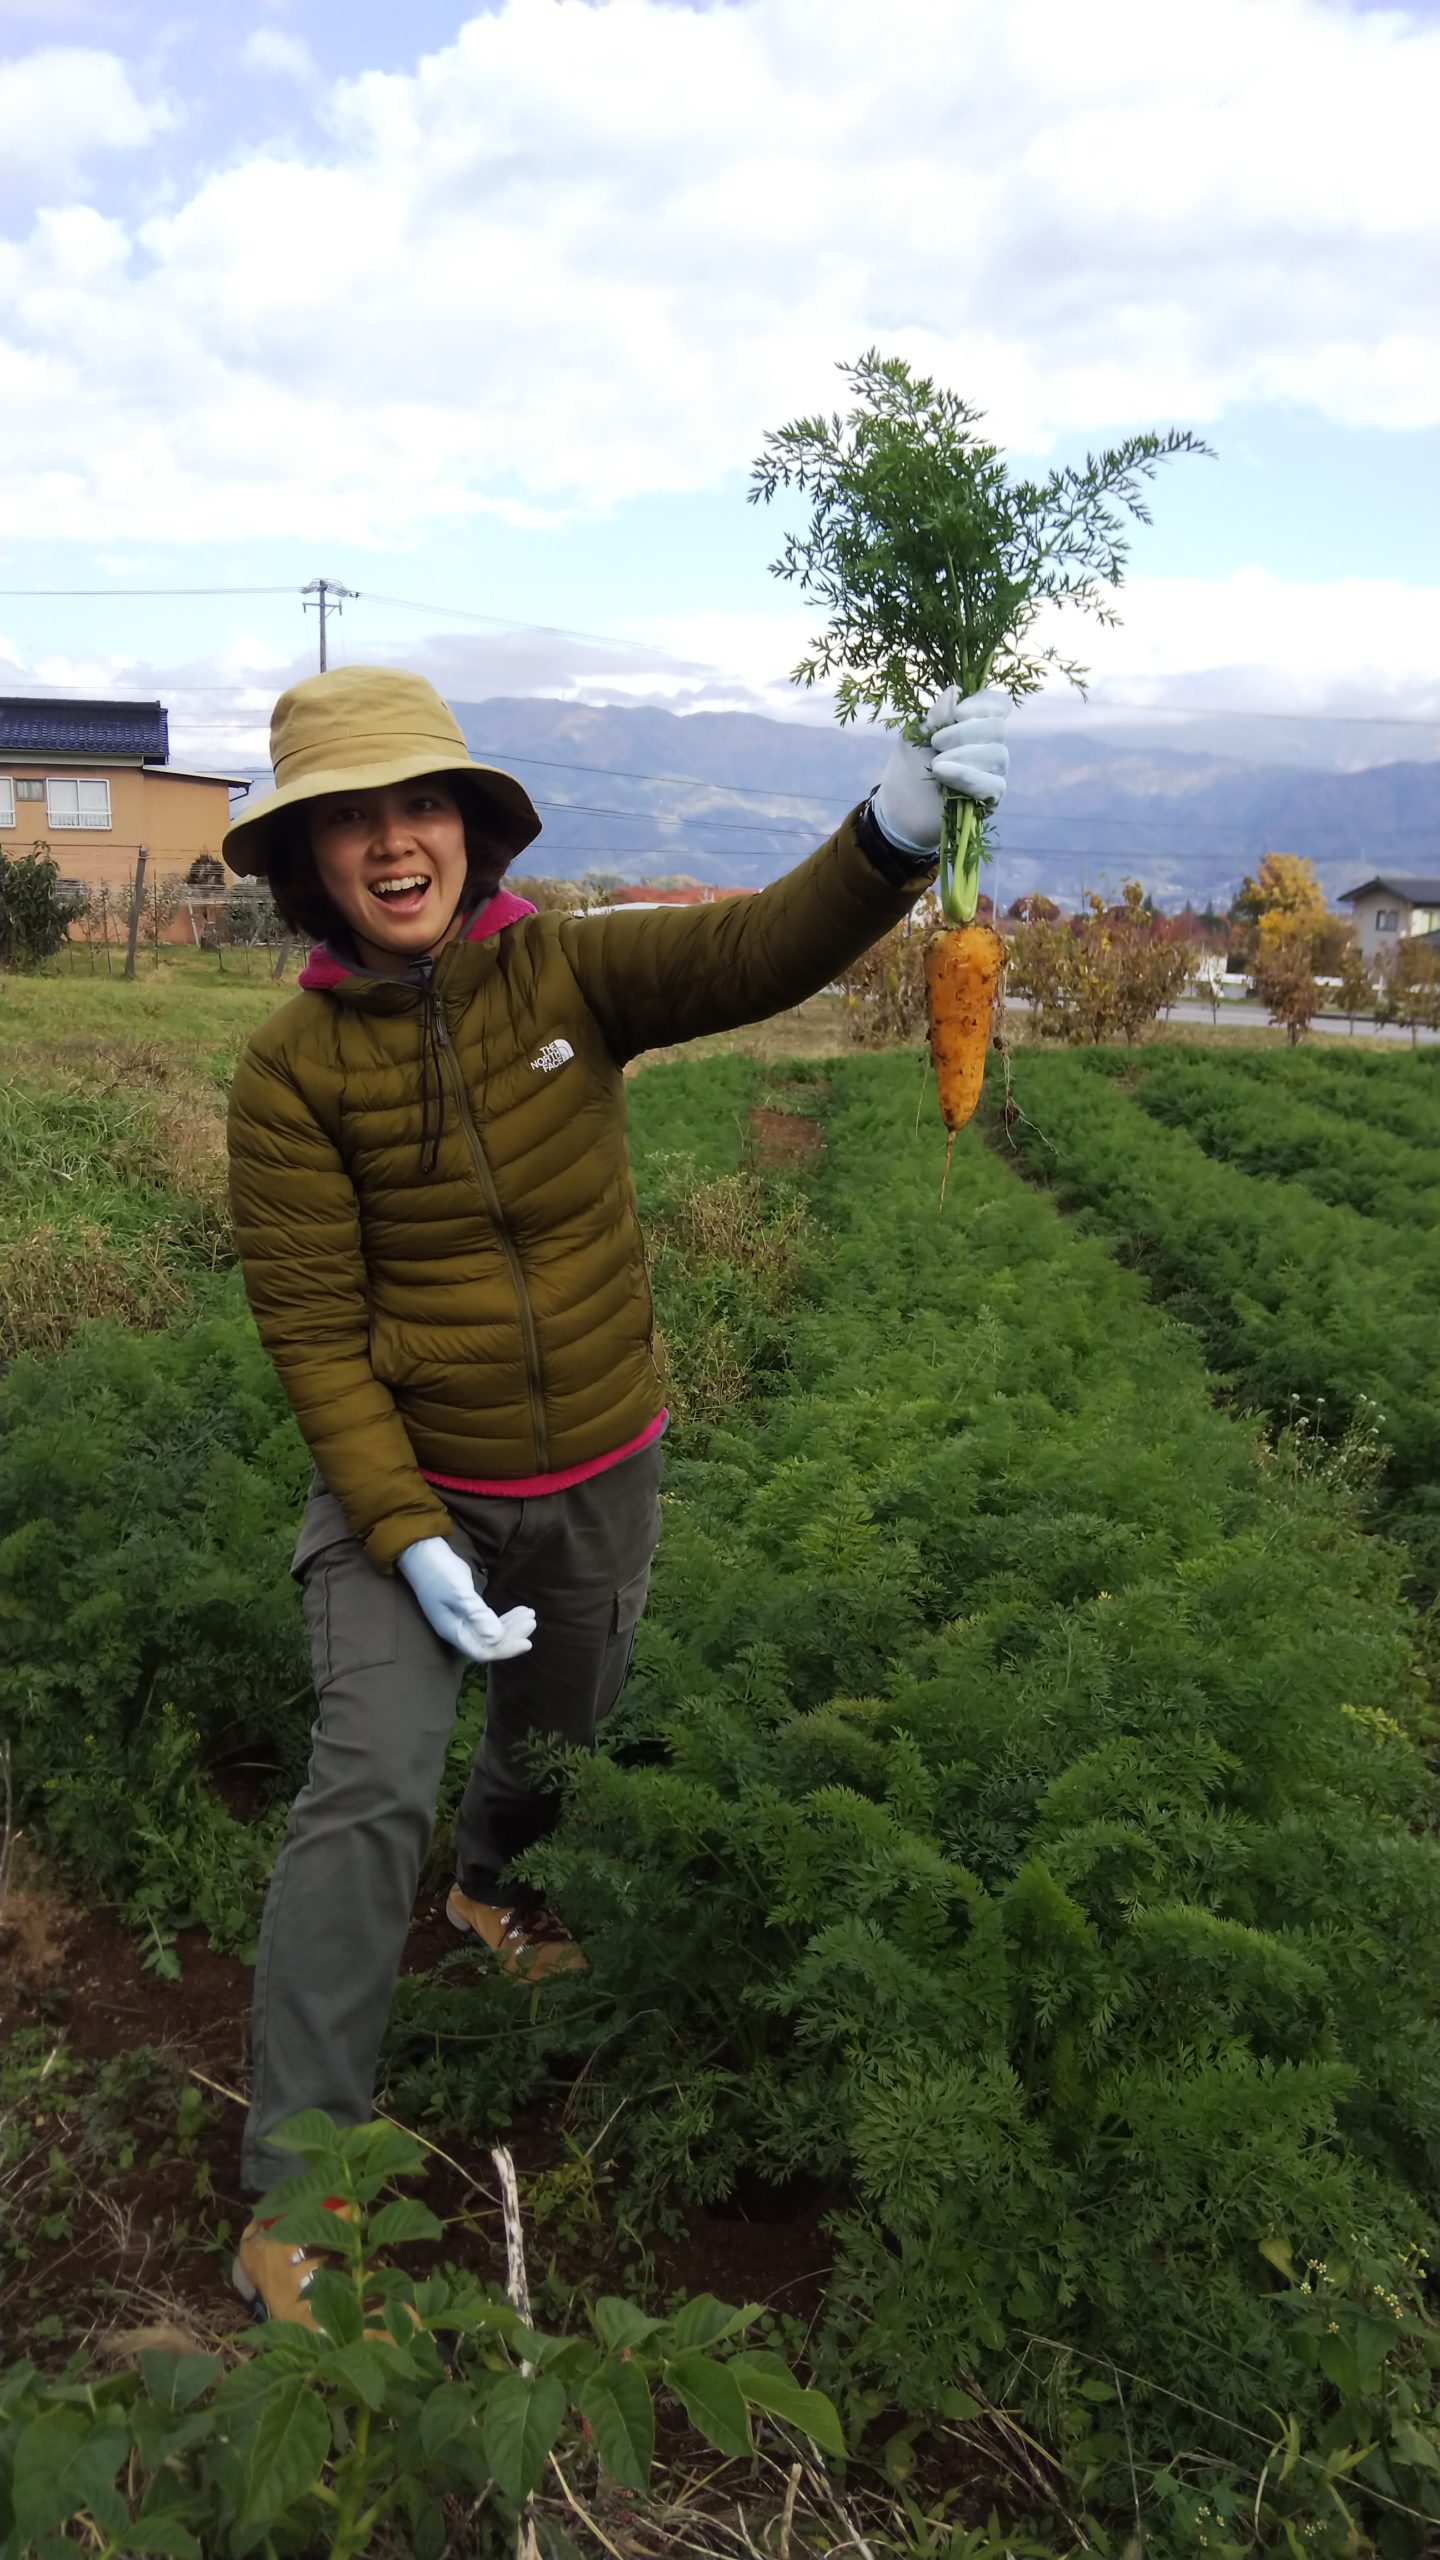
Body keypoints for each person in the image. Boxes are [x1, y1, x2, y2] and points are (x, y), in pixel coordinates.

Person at [222, 663, 1010, 2320]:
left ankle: (495, 1888)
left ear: (469, 827)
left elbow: (751, 949)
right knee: (366, 1787)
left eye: (417, 805)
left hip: (600, 1465)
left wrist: (888, 838)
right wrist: (405, 1530)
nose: (393, 844)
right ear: (307, 858)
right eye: (351, 820)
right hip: (404, 1500)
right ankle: (299, 2183)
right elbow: (310, 1331)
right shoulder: (290, 1073)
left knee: (559, 1737)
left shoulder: (570, 973)